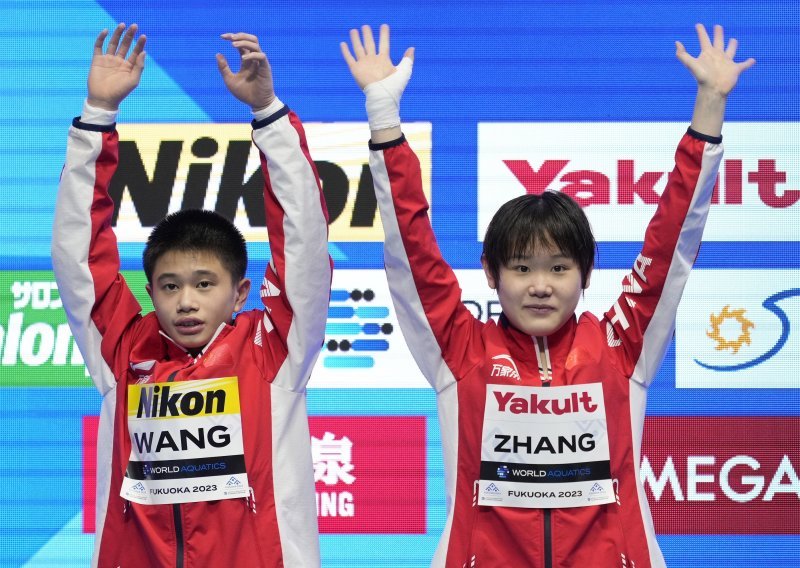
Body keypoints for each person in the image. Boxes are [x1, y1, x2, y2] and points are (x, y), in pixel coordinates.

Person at [341, 23, 753, 568]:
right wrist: (383, 118)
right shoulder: (460, 351)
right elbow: (410, 250)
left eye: (559, 268)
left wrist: (710, 107)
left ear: (585, 274)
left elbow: (672, 240)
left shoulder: (622, 346)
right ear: (491, 274)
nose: (540, 285)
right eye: (521, 268)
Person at [53, 23, 331, 567]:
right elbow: (76, 252)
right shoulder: (122, 351)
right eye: (170, 286)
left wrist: (268, 114)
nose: (185, 301)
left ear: (240, 292)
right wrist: (97, 115)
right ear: (150, 292)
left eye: (205, 284)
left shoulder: (274, 351)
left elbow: (304, 242)